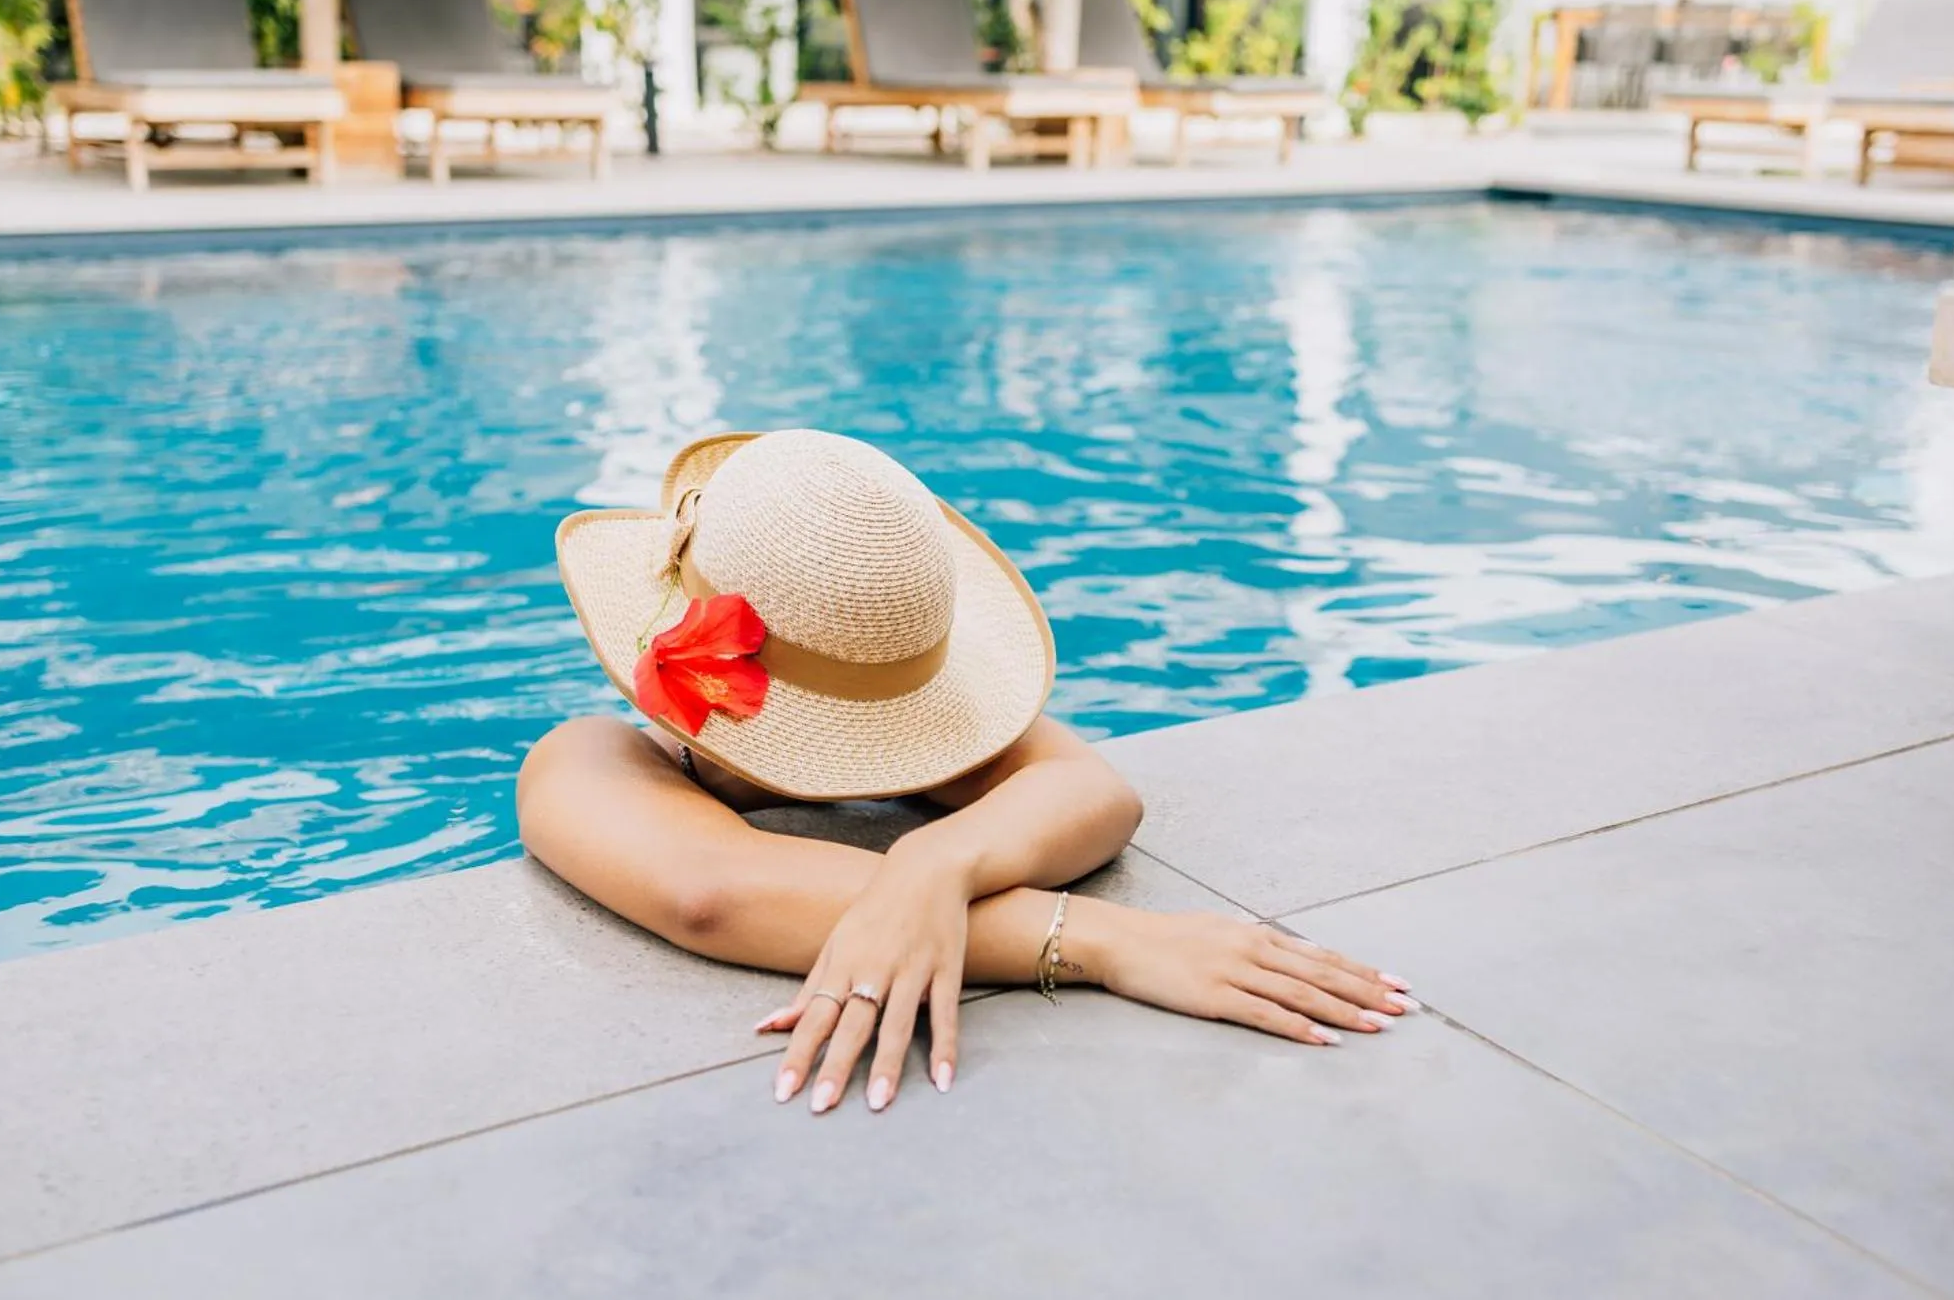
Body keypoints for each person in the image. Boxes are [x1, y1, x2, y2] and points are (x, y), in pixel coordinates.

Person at [519, 430, 1415, 1116]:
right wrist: (1110, 940)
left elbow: (1100, 795)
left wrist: (932, 866)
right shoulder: (584, 755)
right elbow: (710, 889)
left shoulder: (925, 730)